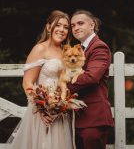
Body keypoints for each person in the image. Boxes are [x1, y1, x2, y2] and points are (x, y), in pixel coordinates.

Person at [10, 10, 73, 149]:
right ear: (49, 27)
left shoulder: (66, 52)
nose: (62, 30)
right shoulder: (40, 49)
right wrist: (41, 110)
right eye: (58, 25)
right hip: (41, 112)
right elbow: (27, 81)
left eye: (66, 27)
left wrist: (63, 103)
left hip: (60, 113)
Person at [68, 10, 114, 149]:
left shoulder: (99, 47)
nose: (76, 28)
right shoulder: (78, 49)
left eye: (80, 23)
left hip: (94, 117)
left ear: (92, 25)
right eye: (73, 25)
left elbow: (91, 77)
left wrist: (62, 86)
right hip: (80, 117)